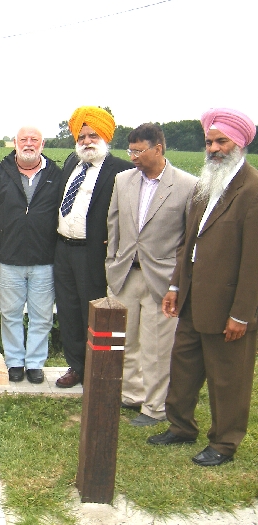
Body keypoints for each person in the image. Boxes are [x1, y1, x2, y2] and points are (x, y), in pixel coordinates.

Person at [148, 108, 258, 467]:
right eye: (209, 142)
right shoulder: (204, 186)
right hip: (193, 298)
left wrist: (242, 314)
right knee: (183, 365)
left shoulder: (252, 190)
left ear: (238, 144)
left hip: (229, 305)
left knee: (228, 378)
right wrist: (176, 288)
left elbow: (254, 260)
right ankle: (180, 426)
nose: (213, 149)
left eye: (221, 141)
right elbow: (188, 244)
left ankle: (225, 442)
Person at [106, 123, 196, 426]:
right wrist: (111, 265)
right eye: (130, 151)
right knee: (126, 342)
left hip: (162, 281)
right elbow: (113, 227)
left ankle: (155, 408)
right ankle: (132, 395)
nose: (132, 157)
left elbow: (189, 240)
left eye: (138, 151)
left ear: (158, 149)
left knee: (157, 348)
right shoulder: (122, 181)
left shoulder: (187, 186)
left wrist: (178, 282)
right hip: (125, 276)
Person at [54, 106, 134, 388]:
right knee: (68, 310)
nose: (87, 141)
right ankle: (76, 367)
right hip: (63, 249)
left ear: (105, 136)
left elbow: (131, 214)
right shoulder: (70, 165)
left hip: (93, 252)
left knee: (93, 311)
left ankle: (97, 370)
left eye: (93, 135)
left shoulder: (122, 171)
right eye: (82, 136)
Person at [0, 126, 61, 383]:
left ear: (42, 144)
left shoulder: (56, 175)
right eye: (23, 139)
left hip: (45, 259)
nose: (28, 144)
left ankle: (35, 363)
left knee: (42, 316)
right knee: (10, 314)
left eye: (34, 140)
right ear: (14, 143)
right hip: (10, 259)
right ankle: (14, 362)